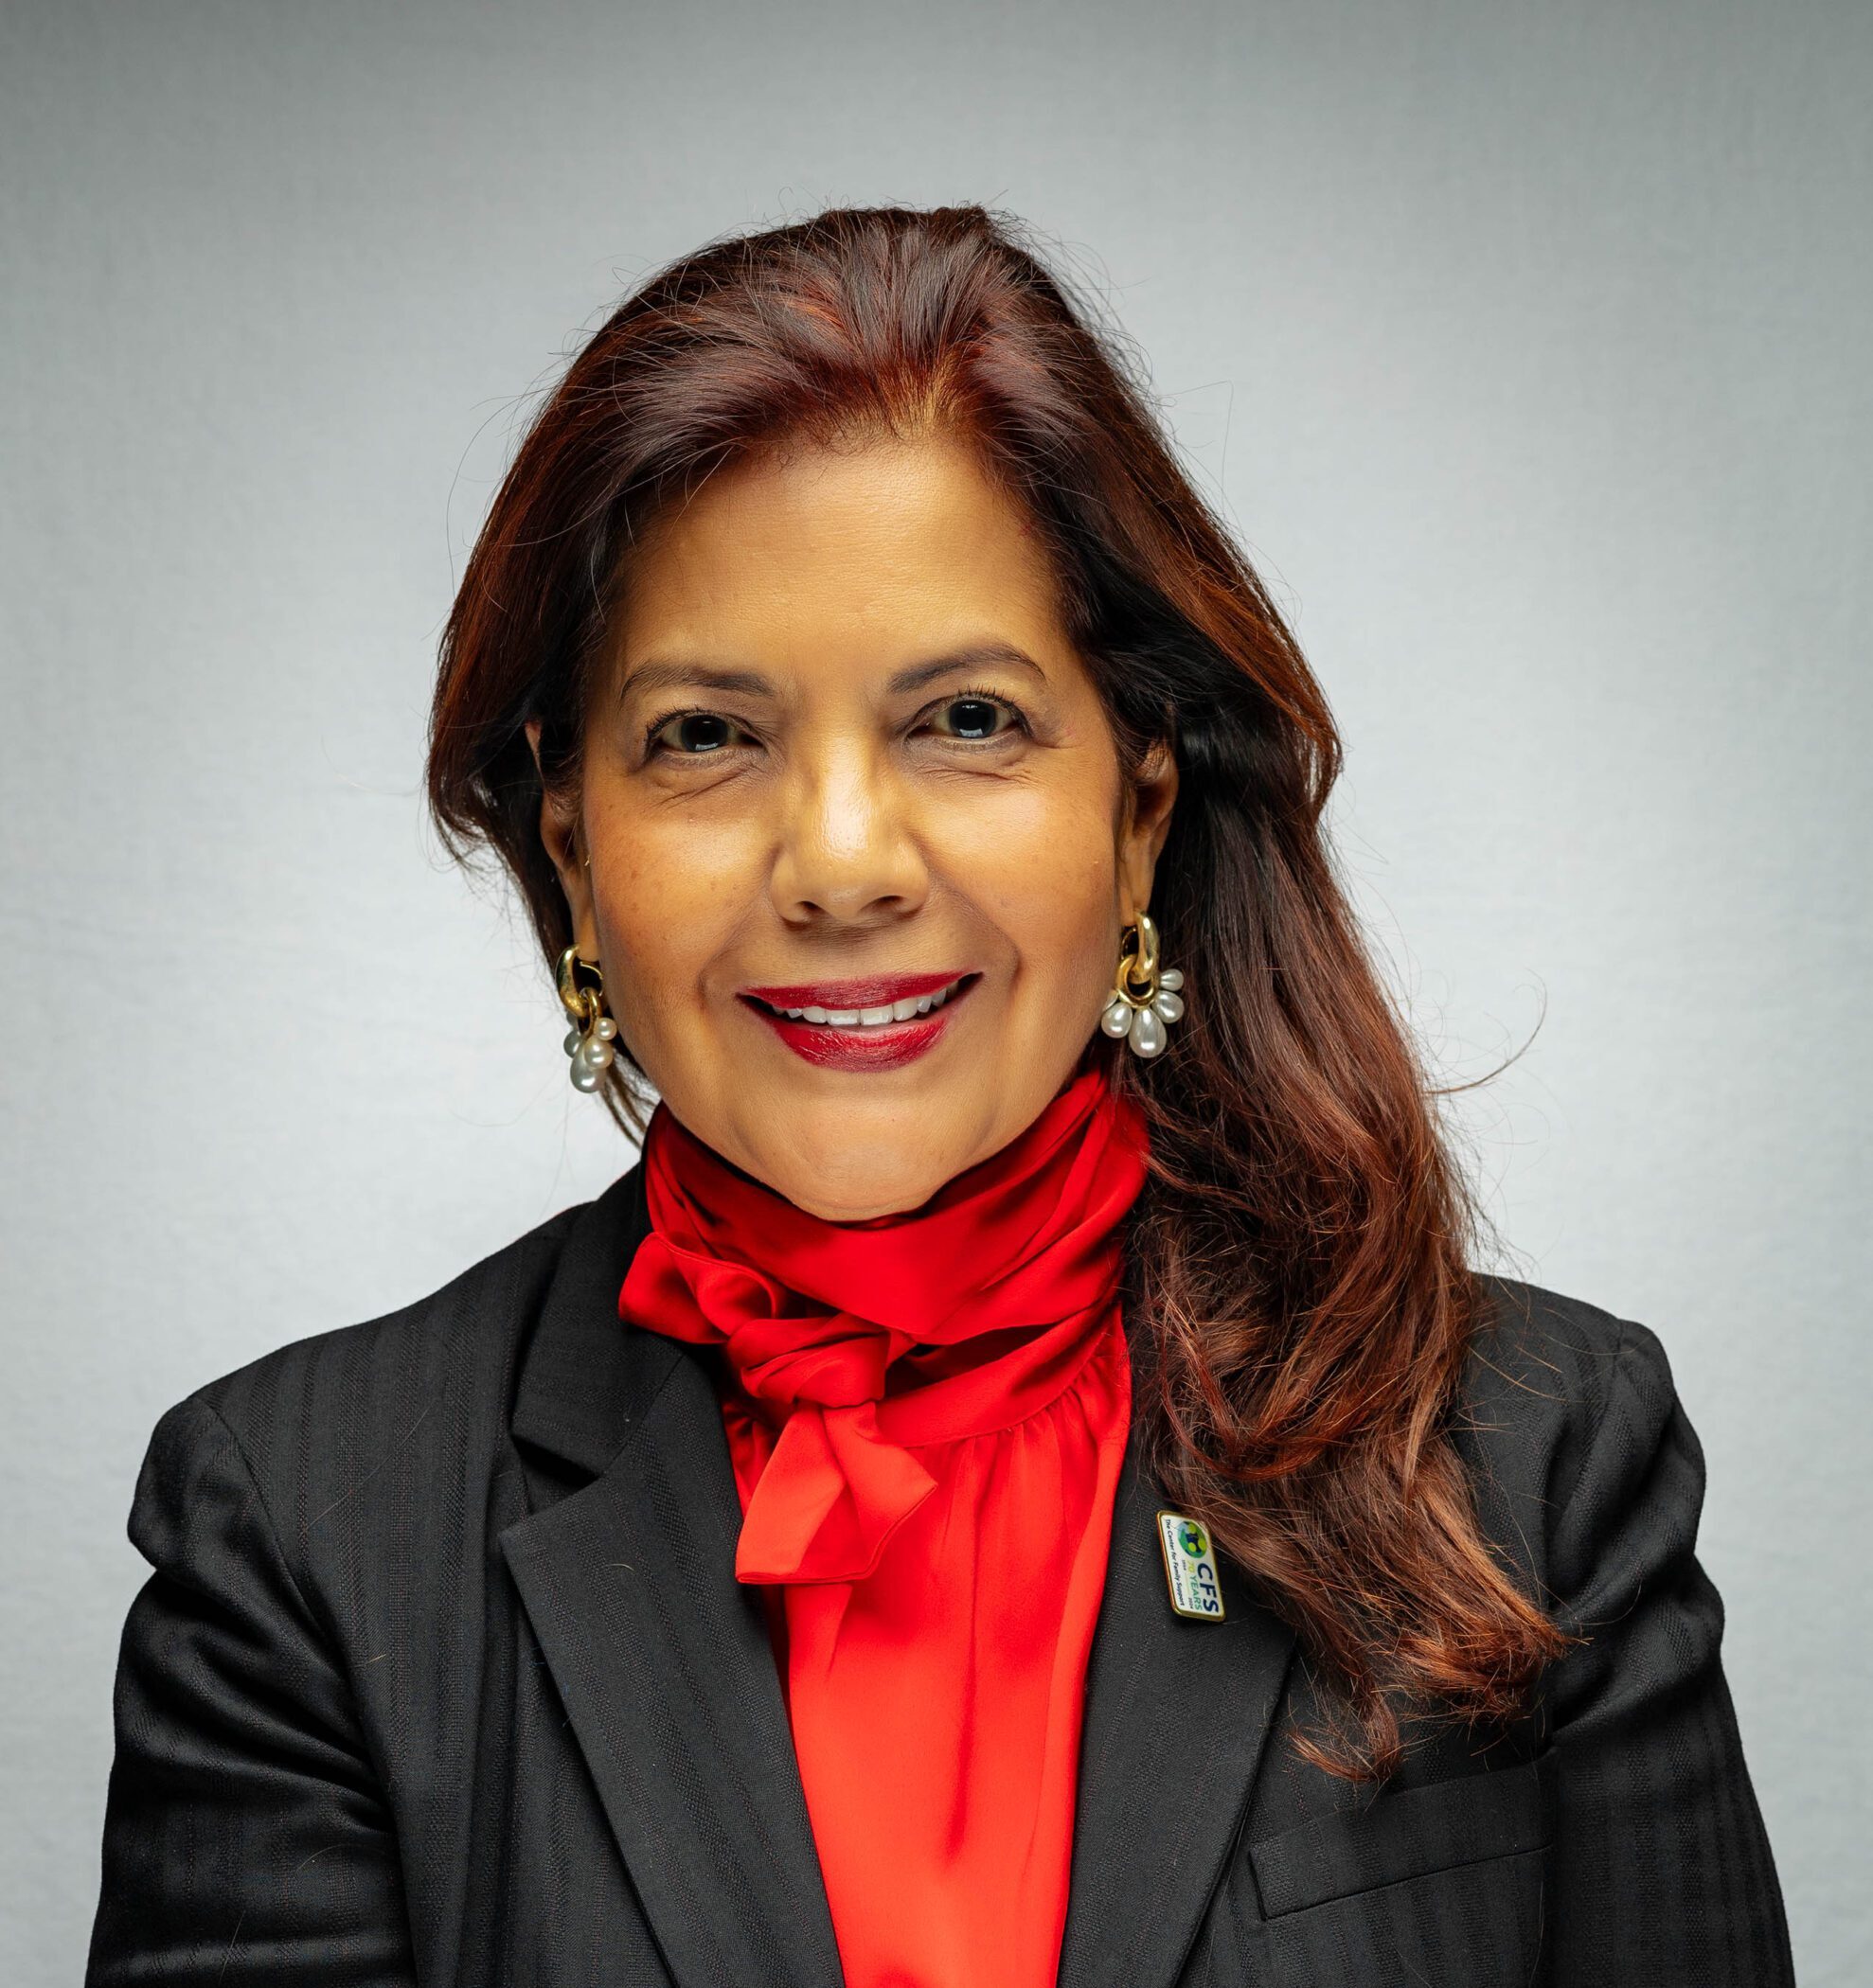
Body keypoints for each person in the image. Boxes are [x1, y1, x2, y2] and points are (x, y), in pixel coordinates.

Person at [85, 203, 1794, 1988]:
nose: (841, 865)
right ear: (574, 845)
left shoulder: (1539, 1454)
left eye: (966, 720)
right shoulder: (303, 1530)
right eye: (705, 735)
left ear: (1138, 808)